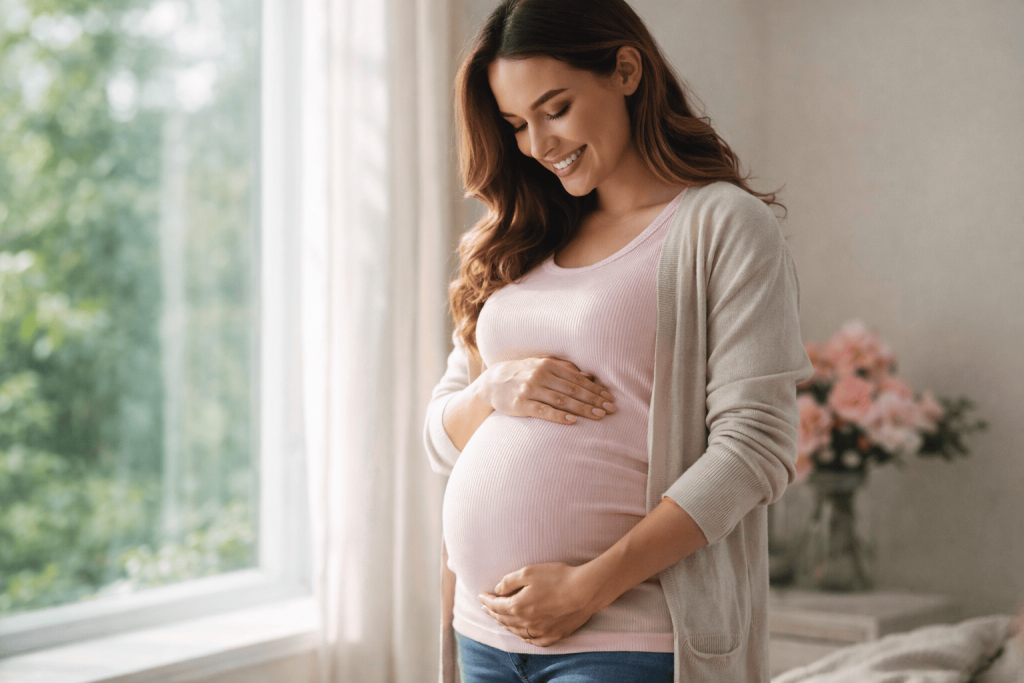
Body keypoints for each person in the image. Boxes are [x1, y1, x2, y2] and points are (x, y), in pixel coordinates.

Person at [422, 0, 814, 681]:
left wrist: (589, 587)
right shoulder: (519, 240)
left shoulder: (720, 226)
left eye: (555, 109)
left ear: (625, 70)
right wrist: (493, 387)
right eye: (516, 124)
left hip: (628, 635)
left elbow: (755, 449)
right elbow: (439, 437)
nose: (538, 145)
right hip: (483, 631)